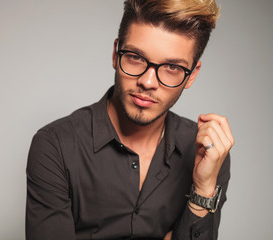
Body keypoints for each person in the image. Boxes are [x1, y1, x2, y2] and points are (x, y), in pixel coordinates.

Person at [26, 0, 234, 239]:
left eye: (172, 67)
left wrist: (203, 191)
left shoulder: (207, 152)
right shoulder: (56, 145)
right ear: (116, 54)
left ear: (191, 76)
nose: (147, 82)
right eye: (135, 57)